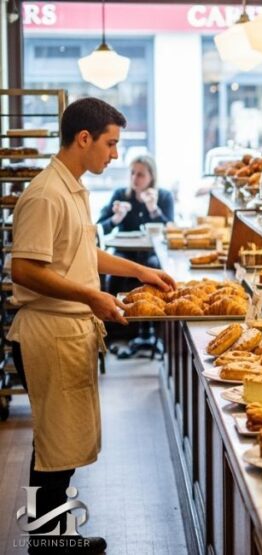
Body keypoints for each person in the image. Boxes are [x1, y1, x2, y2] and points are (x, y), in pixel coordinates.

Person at [8, 97, 175, 553]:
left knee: (62, 446)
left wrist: (139, 271)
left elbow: (82, 254)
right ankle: (45, 542)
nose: (115, 154)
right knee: (53, 448)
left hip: (68, 330)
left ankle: (56, 536)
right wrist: (92, 295)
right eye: (111, 143)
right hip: (49, 333)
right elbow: (23, 269)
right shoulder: (45, 194)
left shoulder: (73, 187)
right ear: (84, 139)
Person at [96, 155, 174, 272]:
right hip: (124, 253)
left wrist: (153, 210)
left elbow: (171, 231)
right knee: (113, 274)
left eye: (140, 175)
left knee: (155, 266)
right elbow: (98, 231)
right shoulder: (120, 195)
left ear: (152, 177)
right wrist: (116, 219)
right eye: (132, 173)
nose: (134, 178)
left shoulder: (164, 196)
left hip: (152, 253)